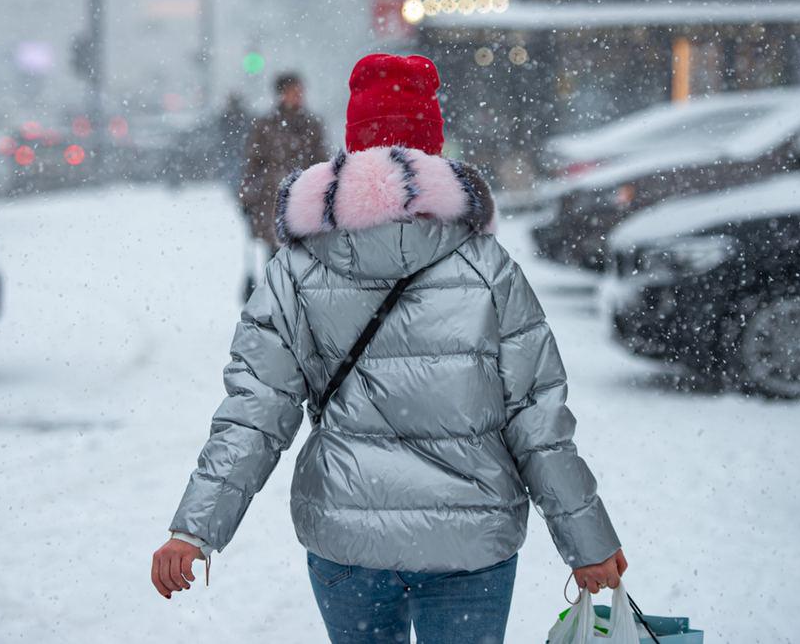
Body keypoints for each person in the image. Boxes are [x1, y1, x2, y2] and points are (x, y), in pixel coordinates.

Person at [152, 54, 626, 643]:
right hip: (470, 541)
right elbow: (537, 419)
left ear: (352, 141)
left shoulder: (296, 268)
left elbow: (255, 411)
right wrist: (588, 542)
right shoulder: (487, 268)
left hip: (349, 537)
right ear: (433, 143)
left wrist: (194, 529)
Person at [238, 71, 328, 249]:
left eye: (300, 91)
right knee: (276, 251)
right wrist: (247, 197)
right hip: (273, 197)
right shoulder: (265, 125)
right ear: (281, 94)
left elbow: (322, 160)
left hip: (304, 196)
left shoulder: (312, 124)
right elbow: (254, 163)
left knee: (304, 253)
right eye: (292, 91)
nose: (298, 95)